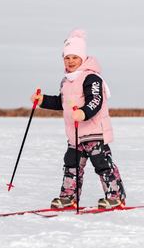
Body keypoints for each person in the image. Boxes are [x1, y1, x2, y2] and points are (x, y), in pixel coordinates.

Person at [30, 29, 126, 209]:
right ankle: (69, 197)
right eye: (67, 58)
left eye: (75, 57)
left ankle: (116, 196)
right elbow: (62, 102)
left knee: (102, 164)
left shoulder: (91, 77)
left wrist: (83, 112)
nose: (71, 61)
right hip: (75, 134)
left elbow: (95, 101)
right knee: (71, 165)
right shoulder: (66, 81)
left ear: (82, 57)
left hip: (94, 131)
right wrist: (43, 100)